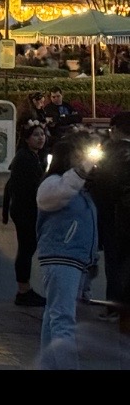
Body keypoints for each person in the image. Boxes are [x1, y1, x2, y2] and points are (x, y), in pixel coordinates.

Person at [35, 131, 98, 369]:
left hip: (74, 259)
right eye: (78, 155)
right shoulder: (52, 183)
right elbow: (59, 193)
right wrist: (81, 171)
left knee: (54, 316)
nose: (83, 160)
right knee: (63, 320)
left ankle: (48, 365)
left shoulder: (80, 189)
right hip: (61, 257)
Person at [84, 112, 130, 312]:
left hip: (115, 217)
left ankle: (115, 306)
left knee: (115, 263)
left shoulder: (111, 152)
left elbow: (102, 186)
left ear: (116, 130)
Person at [2, 122, 49, 307]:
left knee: (27, 249)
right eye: (36, 135)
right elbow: (29, 186)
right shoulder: (25, 158)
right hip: (25, 210)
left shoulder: (33, 156)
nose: (40, 138)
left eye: (42, 134)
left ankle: (24, 289)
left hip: (25, 209)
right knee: (26, 249)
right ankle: (23, 290)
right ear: (27, 139)